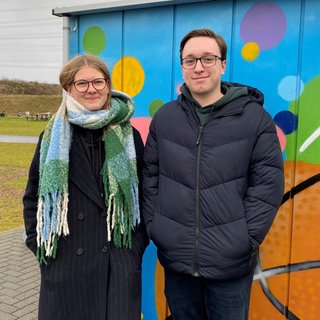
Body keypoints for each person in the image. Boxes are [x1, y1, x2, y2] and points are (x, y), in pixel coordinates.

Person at [142, 28, 284, 320]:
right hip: (177, 260)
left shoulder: (255, 119)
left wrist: (242, 239)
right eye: (190, 60)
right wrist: (159, 229)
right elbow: (151, 176)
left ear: (222, 64)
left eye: (207, 58)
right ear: (182, 66)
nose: (198, 67)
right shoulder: (165, 118)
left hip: (230, 264)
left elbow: (267, 185)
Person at [23, 54, 149, 320]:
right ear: (69, 89)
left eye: (98, 82)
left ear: (108, 85)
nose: (92, 89)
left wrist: (135, 246)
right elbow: (33, 197)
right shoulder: (52, 137)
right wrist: (41, 247)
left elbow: (145, 194)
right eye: (82, 84)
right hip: (67, 265)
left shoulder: (129, 135)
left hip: (117, 263)